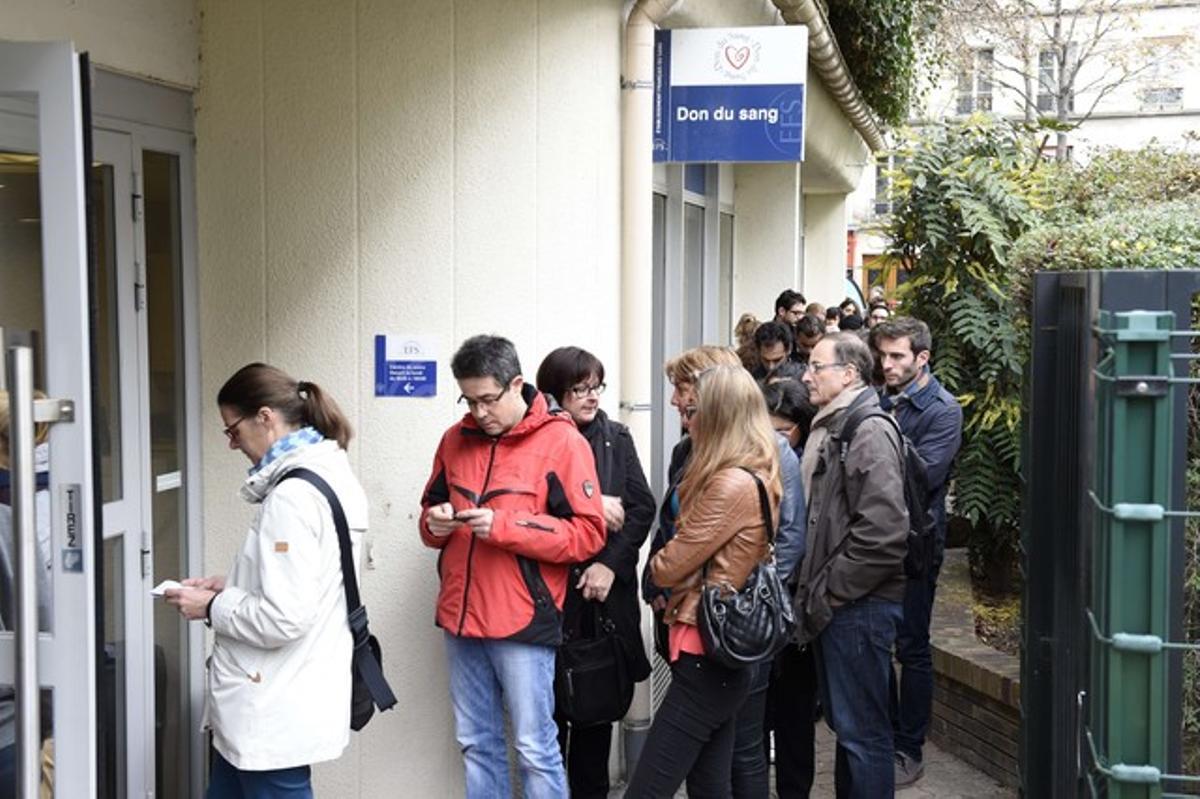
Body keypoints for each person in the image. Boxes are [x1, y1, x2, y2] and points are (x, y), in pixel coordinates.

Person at [165, 363, 367, 798]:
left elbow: (284, 617)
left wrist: (210, 607)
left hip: (272, 704)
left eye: (232, 430)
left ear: (265, 417)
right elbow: (308, 581)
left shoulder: (292, 496)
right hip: (281, 694)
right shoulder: (330, 471)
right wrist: (231, 583)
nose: (231, 443)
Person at [420, 335, 606, 799]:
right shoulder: (454, 440)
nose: (479, 412)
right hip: (461, 620)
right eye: (469, 400)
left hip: (523, 620)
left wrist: (505, 526)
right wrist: (435, 524)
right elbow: (429, 515)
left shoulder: (562, 442)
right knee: (476, 743)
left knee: (534, 746)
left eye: (488, 399)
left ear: (516, 385)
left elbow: (588, 534)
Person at [626, 366, 781, 798]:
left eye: (696, 409)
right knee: (710, 786)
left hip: (705, 658)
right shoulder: (753, 470)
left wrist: (663, 561)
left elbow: (666, 567)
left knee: (647, 787)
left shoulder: (730, 482)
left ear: (720, 415)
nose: (686, 415)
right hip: (716, 657)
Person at [534, 347, 654, 799]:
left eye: (596, 387)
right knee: (544, 723)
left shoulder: (615, 437)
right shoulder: (536, 441)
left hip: (600, 601)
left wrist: (609, 563)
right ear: (554, 392)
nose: (590, 397)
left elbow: (641, 508)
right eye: (579, 389)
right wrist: (591, 506)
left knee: (594, 715)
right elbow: (527, 511)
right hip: (548, 598)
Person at [796, 333, 908, 797]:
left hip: (858, 608)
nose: (806, 375)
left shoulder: (867, 430)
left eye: (816, 366)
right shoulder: (838, 424)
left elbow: (883, 535)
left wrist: (828, 592)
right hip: (844, 605)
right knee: (851, 732)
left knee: (863, 735)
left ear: (848, 374)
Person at [872, 318, 963, 787]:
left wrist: (878, 443)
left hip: (916, 545)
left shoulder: (942, 410)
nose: (886, 365)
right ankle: (883, 737)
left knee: (912, 647)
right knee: (879, 641)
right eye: (883, 356)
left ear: (922, 358)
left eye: (897, 357)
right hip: (876, 542)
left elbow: (923, 477)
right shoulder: (881, 399)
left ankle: (909, 747)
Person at [761, 379, 820, 798]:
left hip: (798, 602)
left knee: (796, 713)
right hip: (769, 604)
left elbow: (796, 536)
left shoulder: (814, 460)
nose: (775, 439)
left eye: (784, 431)